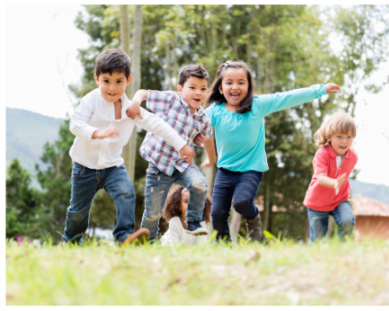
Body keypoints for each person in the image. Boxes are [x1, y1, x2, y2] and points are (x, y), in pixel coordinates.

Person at [62, 49, 195, 246]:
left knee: (126, 192)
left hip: (112, 166)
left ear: (128, 80)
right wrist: (97, 133)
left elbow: (157, 124)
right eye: (106, 81)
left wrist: (181, 144)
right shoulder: (91, 100)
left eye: (119, 81)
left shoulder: (130, 109)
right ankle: (71, 241)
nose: (112, 88)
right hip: (84, 167)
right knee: (78, 210)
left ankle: (124, 237)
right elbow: (76, 123)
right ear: (97, 78)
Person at [197, 60, 341, 242]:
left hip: (251, 170)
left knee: (241, 202)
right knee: (217, 213)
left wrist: (320, 89)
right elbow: (196, 124)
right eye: (229, 82)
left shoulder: (258, 105)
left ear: (249, 87)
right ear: (220, 88)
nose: (235, 87)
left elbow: (287, 97)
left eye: (241, 82)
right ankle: (225, 247)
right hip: (225, 171)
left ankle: (253, 218)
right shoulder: (214, 111)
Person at [126, 64, 216, 240]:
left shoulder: (203, 119)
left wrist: (211, 159)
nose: (198, 93)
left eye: (203, 89)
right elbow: (143, 93)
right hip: (159, 166)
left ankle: (193, 220)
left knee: (200, 184)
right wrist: (136, 102)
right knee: (153, 213)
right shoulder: (171, 100)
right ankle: (147, 242)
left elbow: (208, 140)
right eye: (192, 88)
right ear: (180, 89)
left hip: (182, 165)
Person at [303, 112, 357, 242]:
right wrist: (334, 183)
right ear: (329, 137)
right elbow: (321, 178)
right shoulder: (322, 154)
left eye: (349, 137)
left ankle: (341, 250)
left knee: (348, 222)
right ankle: (315, 259)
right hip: (318, 202)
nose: (345, 141)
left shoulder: (353, 156)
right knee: (317, 239)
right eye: (339, 136)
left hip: (340, 199)